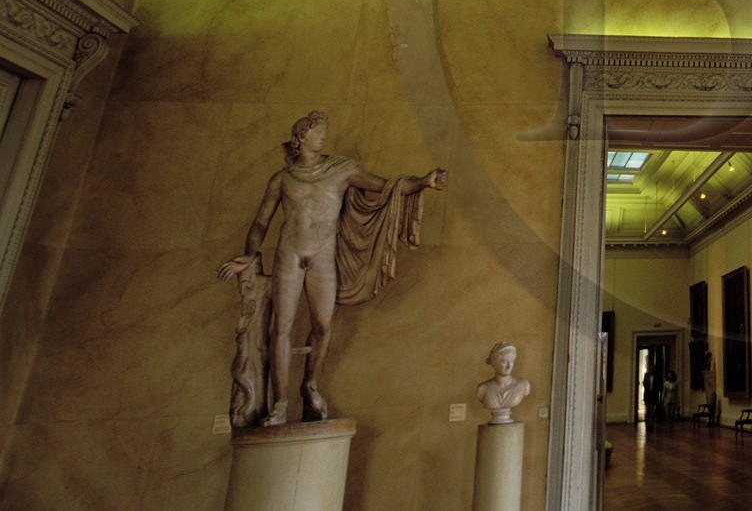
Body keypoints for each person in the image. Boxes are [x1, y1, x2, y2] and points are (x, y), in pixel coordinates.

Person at [218, 111, 446, 426]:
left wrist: (422, 181)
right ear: (300, 138)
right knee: (280, 328)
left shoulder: (340, 171)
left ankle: (310, 383)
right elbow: (261, 222)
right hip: (290, 254)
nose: (323, 136)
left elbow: (385, 187)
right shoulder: (282, 179)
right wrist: (249, 254)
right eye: (318, 131)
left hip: (322, 256)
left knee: (323, 326)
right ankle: (281, 403)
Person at [477, 342, 532, 424]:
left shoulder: (523, 385)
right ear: (494, 363)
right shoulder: (483, 389)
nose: (509, 366)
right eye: (503, 362)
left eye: (512, 361)